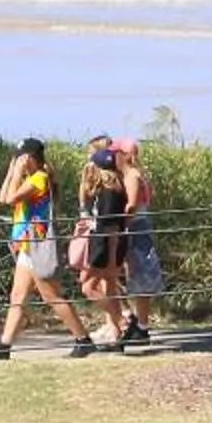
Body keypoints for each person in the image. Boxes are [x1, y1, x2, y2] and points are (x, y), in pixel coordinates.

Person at [0, 138, 94, 360]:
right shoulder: (29, 178)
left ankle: (83, 339)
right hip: (27, 245)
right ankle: (4, 346)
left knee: (52, 296)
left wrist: (17, 172)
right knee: (18, 296)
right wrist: (13, 171)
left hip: (37, 244)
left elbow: (12, 199)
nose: (19, 160)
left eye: (22, 157)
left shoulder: (40, 179)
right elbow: (2, 197)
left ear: (31, 157)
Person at [73, 144, 135, 349]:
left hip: (105, 243)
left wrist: (108, 254)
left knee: (88, 286)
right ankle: (117, 335)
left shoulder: (108, 193)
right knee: (108, 286)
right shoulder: (116, 188)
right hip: (112, 242)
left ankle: (121, 319)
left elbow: (110, 225)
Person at [108, 135, 163, 347]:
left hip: (136, 228)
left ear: (124, 155)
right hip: (142, 226)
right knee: (137, 276)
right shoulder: (140, 175)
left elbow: (131, 205)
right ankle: (138, 323)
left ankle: (141, 325)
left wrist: (118, 222)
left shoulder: (131, 176)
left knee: (139, 275)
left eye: (116, 154)